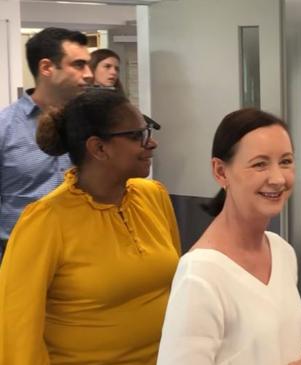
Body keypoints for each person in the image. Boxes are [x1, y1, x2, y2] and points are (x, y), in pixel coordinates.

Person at [0, 89, 181, 364]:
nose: (151, 143)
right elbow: (17, 329)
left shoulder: (153, 196)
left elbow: (175, 289)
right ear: (99, 148)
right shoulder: (45, 221)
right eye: (137, 136)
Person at [157, 108, 301, 365]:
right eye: (260, 164)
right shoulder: (200, 276)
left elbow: (281, 336)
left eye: (285, 161)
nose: (277, 178)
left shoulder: (281, 251)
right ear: (220, 171)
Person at [0, 27, 93, 263]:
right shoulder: (5, 128)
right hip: (20, 255)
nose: (90, 74)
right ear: (47, 68)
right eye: (79, 65)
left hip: (85, 250)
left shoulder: (94, 125)